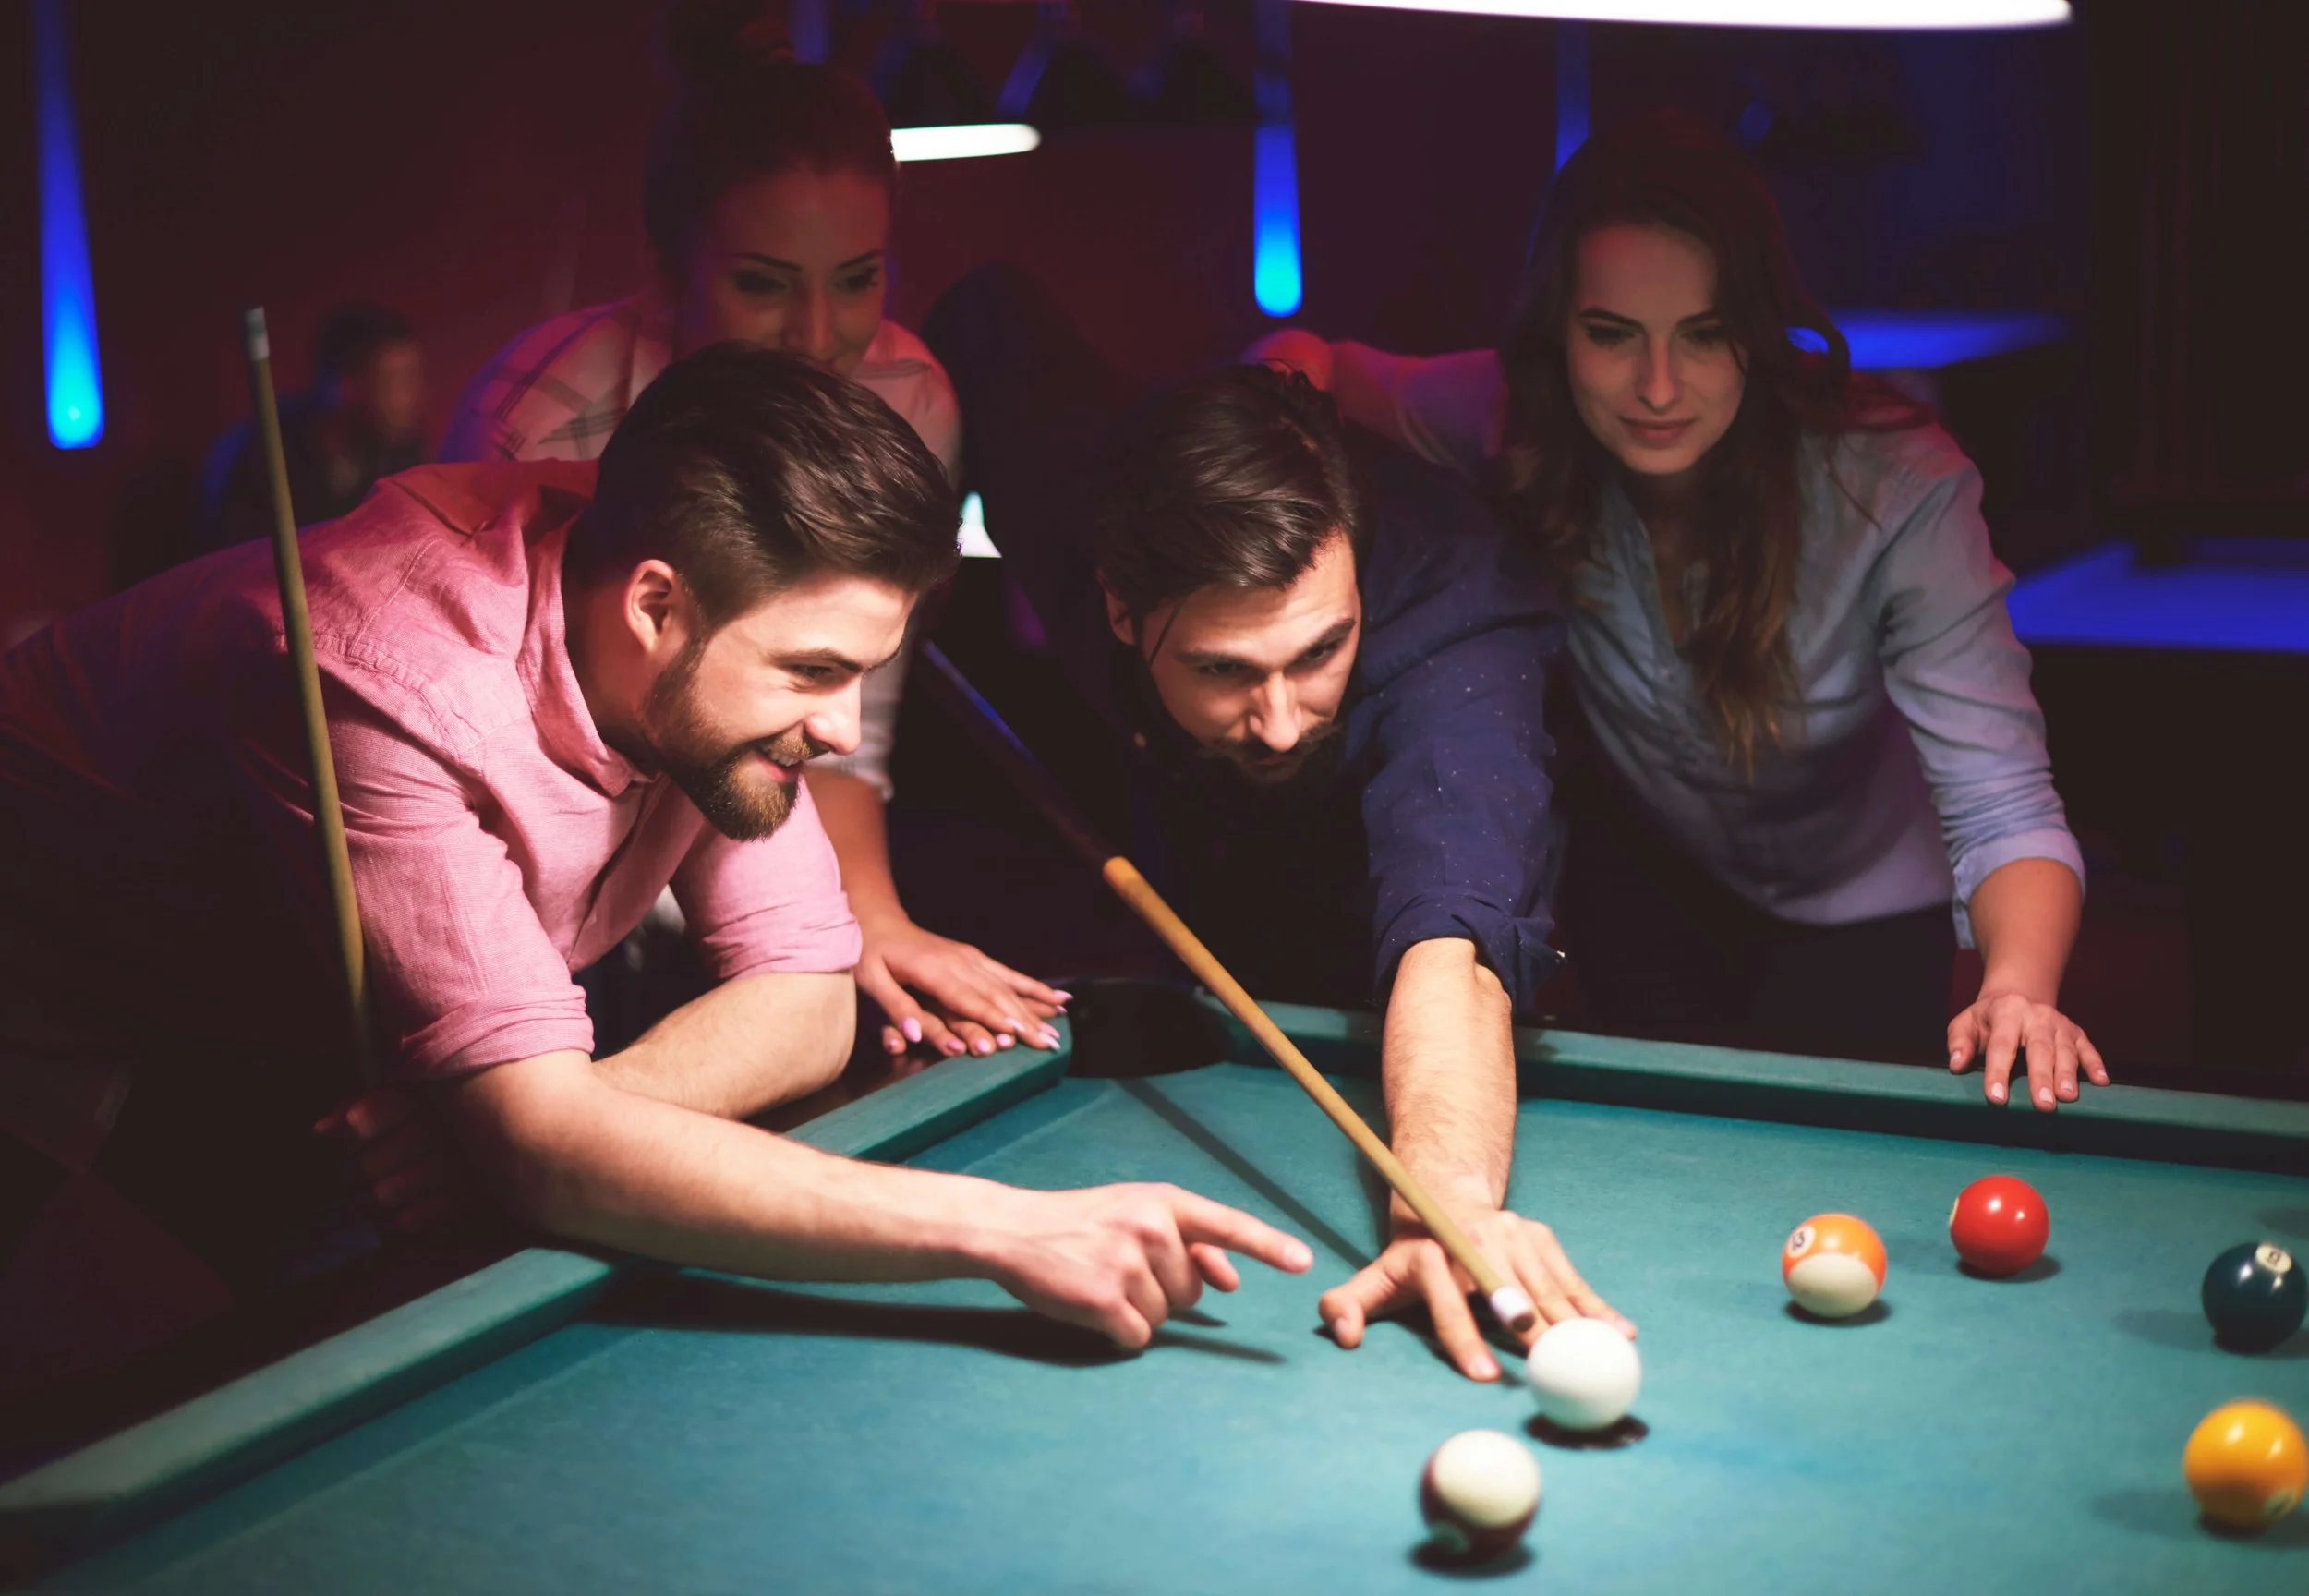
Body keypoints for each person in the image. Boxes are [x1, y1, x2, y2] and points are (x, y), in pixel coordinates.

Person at [0, 345, 1311, 1347]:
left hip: (267, 988)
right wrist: (1009, 1230)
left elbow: (808, 1003)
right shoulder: (382, 682)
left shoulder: (710, 642)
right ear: (655, 608)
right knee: (128, 1395)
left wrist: (541, 1127)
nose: (838, 730)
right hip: (51, 993)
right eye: (811, 671)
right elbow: (540, 1151)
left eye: (863, 672)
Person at [1252, 112, 2102, 1112]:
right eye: (1610, 335)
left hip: (1866, 912)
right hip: (1650, 890)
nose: (1657, 387)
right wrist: (1256, 448)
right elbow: (1313, 359)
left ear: (1759, 331)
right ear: (1555, 329)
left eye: (1705, 335)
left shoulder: (1899, 486)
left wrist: (2016, 987)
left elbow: (2004, 803)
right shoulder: (1506, 417)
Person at [925, 265, 1629, 1384]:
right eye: (1223, 669)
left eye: (1317, 652)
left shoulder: (1458, 651)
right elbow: (990, 311)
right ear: (1117, 604)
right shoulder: (1063, 486)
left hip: (1376, 893)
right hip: (1193, 847)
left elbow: (1451, 952)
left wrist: (1440, 1212)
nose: (1281, 717)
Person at [441, 1, 1055, 1064]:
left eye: (857, 279)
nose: (820, 340)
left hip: (761, 854)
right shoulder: (543, 418)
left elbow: (846, 725)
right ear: (670, 269)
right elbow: (481, 768)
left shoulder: (910, 402)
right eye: (763, 285)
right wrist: (489, 1067)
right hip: (524, 880)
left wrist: (872, 922)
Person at [199, 302, 427, 550]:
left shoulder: (402, 452)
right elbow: (239, 563)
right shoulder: (260, 457)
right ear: (343, 387)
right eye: (395, 382)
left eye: (414, 378)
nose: (414, 396)